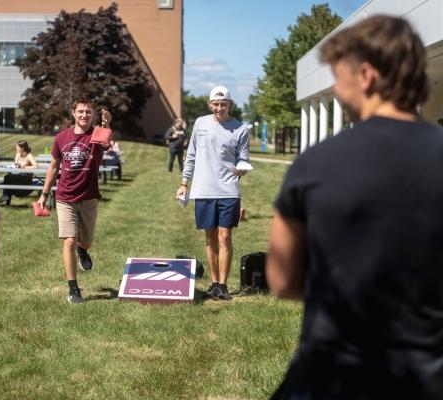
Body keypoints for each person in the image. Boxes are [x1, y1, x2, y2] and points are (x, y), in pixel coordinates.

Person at [267, 15, 443, 399]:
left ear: (366, 77)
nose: (334, 87)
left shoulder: (315, 165)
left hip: (328, 377)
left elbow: (282, 281)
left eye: (338, 76)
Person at [175, 86, 250, 301]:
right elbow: (191, 155)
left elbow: (244, 159)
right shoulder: (200, 123)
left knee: (225, 236)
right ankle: (214, 283)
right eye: (216, 104)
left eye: (223, 104)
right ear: (210, 105)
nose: (219, 108)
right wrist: (184, 183)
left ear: (230, 105)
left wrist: (242, 169)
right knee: (210, 238)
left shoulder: (240, 129)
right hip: (204, 189)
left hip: (228, 190)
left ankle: (224, 285)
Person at [37, 97, 112, 304]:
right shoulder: (61, 137)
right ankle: (74, 289)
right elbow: (53, 167)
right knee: (69, 240)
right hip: (65, 197)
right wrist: (44, 194)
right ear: (73, 113)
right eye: (81, 111)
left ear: (92, 114)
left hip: (89, 198)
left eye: (88, 112)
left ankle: (83, 249)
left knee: (85, 240)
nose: (84, 115)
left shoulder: (97, 134)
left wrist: (106, 125)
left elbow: (105, 143)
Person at [0, 140, 39, 206]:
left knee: (8, 178)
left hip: (26, 179)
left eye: (17, 147)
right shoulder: (18, 155)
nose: (16, 148)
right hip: (19, 177)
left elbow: (36, 166)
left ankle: (5, 195)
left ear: (22, 148)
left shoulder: (29, 156)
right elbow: (16, 165)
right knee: (8, 177)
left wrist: (25, 167)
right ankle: (5, 195)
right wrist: (16, 163)